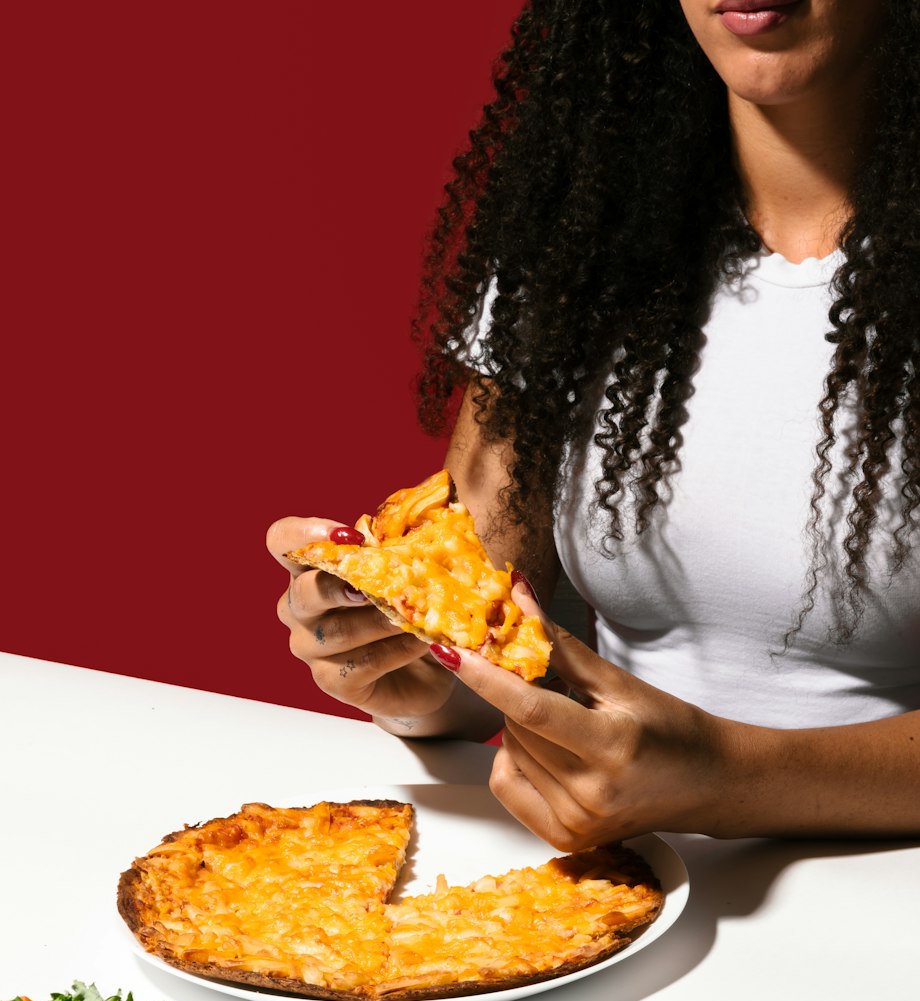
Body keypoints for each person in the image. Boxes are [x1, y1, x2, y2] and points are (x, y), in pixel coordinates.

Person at [268, 0, 920, 848]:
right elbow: (483, 644)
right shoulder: (579, 249)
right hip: (612, 898)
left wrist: (732, 777)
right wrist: (410, 673)